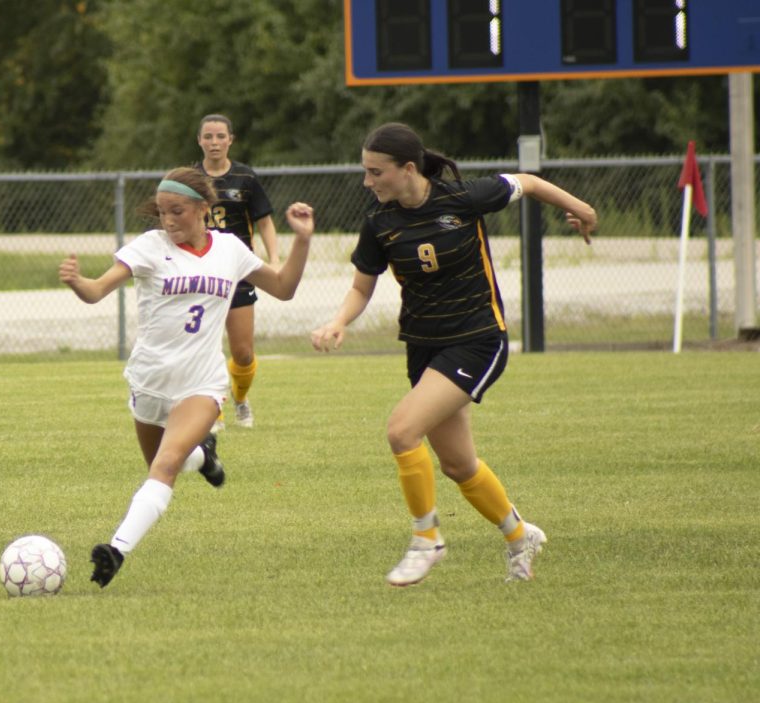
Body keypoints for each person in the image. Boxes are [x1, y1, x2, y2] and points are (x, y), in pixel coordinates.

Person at [311, 122, 597, 586]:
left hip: (478, 338)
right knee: (458, 465)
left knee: (402, 431)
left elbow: (528, 181)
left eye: (375, 172)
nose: (367, 182)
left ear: (408, 169)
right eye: (365, 172)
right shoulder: (379, 224)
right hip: (424, 347)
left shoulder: (463, 198)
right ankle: (520, 535)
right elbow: (361, 287)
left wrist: (580, 207)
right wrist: (338, 321)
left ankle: (427, 540)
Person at [60, 167, 314, 588]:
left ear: (203, 208)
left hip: (202, 383)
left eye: (176, 211)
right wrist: (77, 282)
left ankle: (116, 550)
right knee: (167, 464)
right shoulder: (150, 247)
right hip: (149, 382)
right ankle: (205, 457)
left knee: (165, 464)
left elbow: (284, 287)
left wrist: (302, 241)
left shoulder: (230, 249)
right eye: (161, 212)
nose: (168, 220)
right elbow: (96, 291)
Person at [194, 114, 279, 430]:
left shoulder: (246, 177)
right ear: (199, 141)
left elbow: (265, 223)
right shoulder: (191, 179)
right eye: (208, 136)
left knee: (242, 353)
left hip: (238, 273)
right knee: (205, 347)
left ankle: (240, 399)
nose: (214, 142)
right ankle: (212, 409)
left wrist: (275, 260)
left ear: (231, 139)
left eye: (220, 136)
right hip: (201, 271)